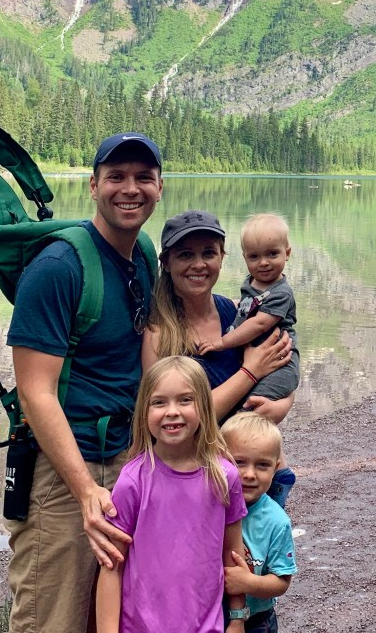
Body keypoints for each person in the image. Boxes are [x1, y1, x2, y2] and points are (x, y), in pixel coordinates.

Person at [5, 132, 164, 633]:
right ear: (93, 186)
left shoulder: (142, 254)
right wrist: (84, 492)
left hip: (125, 459)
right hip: (62, 474)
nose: (130, 189)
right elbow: (35, 391)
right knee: (52, 618)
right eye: (116, 177)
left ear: (160, 187)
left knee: (112, 617)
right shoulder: (58, 267)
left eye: (143, 177)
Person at [143, 210, 297, 506]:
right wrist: (250, 373)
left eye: (209, 253)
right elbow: (174, 419)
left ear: (223, 257)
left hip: (256, 480)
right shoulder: (159, 333)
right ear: (167, 263)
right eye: (186, 254)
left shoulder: (237, 312)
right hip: (200, 483)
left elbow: (282, 364)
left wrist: (281, 404)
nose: (199, 264)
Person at [96, 356, 249, 633]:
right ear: (144, 411)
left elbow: (233, 554)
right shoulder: (133, 481)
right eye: (159, 402)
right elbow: (111, 566)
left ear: (204, 407)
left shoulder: (225, 477)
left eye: (185, 400)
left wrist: (237, 618)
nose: (172, 411)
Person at [197, 213, 300, 403]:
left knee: (249, 406)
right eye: (254, 256)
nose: (263, 262)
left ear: (287, 253)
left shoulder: (281, 293)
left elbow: (259, 324)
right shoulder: (253, 282)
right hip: (260, 359)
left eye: (272, 254)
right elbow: (249, 304)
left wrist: (221, 343)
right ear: (245, 258)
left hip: (280, 363)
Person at [221, 413, 297, 633]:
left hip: (257, 621)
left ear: (275, 469)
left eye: (262, 465)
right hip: (208, 614)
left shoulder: (276, 521)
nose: (249, 474)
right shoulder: (210, 505)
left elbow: (282, 581)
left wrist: (248, 583)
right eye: (239, 462)